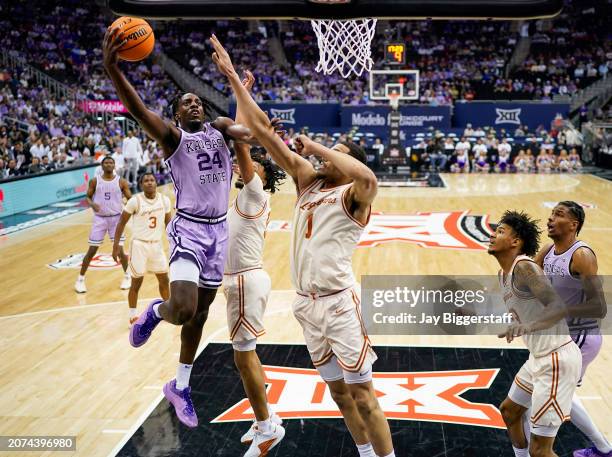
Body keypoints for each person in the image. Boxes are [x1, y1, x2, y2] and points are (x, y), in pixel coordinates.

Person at [211, 34, 396, 457]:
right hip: (306, 303)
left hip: (338, 303)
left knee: (364, 394)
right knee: (338, 394)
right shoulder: (307, 182)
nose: (325, 158)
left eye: (336, 154)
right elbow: (259, 130)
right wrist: (233, 79)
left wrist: (316, 145)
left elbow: (367, 177)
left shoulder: (354, 195)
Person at [102, 26, 269, 429]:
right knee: (181, 309)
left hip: (218, 234)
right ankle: (154, 312)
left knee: (199, 316)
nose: (194, 105)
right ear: (177, 114)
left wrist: (240, 89)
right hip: (190, 229)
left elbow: (253, 132)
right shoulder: (173, 137)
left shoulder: (221, 128)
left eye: (197, 101)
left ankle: (180, 386)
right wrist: (114, 71)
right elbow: (140, 111)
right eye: (186, 103)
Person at [223, 74, 288, 453]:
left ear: (264, 177)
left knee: (243, 359)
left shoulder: (254, 192)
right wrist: (241, 92)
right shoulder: (242, 198)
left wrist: (239, 89)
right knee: (245, 358)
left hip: (246, 281)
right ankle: (266, 418)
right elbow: (238, 145)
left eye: (257, 165)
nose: (248, 166)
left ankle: (266, 427)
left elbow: (240, 146)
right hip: (241, 281)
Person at [489, 210, 582, 457]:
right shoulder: (505, 275)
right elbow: (515, 309)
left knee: (541, 451)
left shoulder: (524, 268)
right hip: (538, 359)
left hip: (556, 360)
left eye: (500, 231)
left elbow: (558, 307)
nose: (492, 235)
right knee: (510, 412)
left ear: (515, 242)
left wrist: (527, 327)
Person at [535, 202, 610, 457]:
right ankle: (603, 448)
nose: (550, 218)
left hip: (580, 337)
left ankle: (602, 448)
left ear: (574, 224)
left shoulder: (582, 255)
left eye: (558, 215)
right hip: (560, 336)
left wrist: (560, 311)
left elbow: (599, 307)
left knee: (548, 394)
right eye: (551, 213)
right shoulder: (548, 250)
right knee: (552, 393)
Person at [112, 173, 172, 326]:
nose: (150, 183)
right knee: (136, 282)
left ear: (156, 183)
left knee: (164, 280)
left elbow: (169, 224)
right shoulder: (135, 201)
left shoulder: (164, 200)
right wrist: (116, 245)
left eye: (152, 180)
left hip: (156, 245)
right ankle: (132, 315)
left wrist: (175, 242)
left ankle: (170, 310)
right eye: (146, 181)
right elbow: (120, 223)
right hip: (139, 245)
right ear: (141, 184)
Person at [75, 155, 132, 293]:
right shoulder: (95, 181)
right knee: (92, 250)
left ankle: (127, 276)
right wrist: (92, 204)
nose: (108, 164)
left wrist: (130, 204)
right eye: (106, 162)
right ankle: (80, 280)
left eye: (111, 162)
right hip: (100, 219)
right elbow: (88, 197)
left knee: (119, 250)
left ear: (114, 165)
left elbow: (130, 198)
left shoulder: (121, 181)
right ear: (102, 165)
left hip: (116, 219)